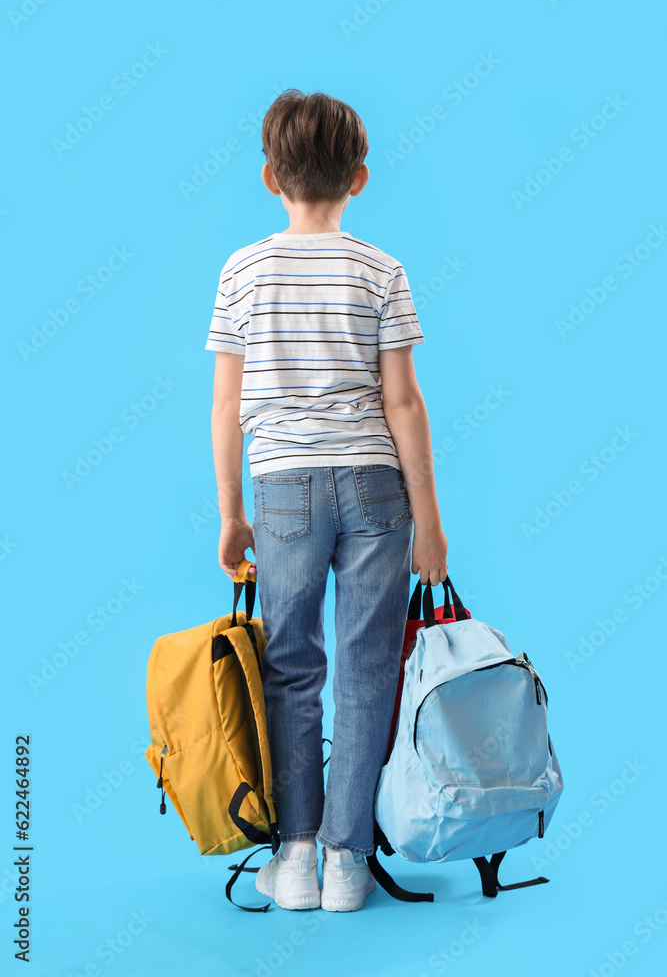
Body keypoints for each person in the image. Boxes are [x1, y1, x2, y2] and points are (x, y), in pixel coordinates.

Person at [206, 89, 448, 912]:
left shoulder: (241, 270)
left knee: (289, 669)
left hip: (281, 488)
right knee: (368, 671)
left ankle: (297, 856)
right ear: (361, 178)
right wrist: (433, 527)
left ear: (271, 176)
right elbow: (403, 403)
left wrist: (229, 511)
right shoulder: (382, 269)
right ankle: (349, 860)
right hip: (378, 488)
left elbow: (226, 406)